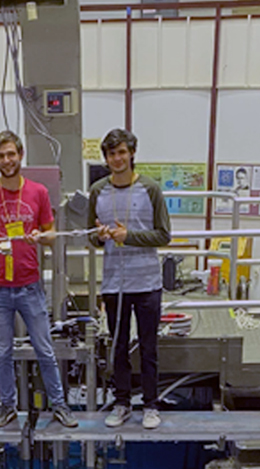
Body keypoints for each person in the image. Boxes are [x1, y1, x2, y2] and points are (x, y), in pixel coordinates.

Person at [0, 131, 78, 429]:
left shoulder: (38, 193)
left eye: (11, 154)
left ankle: (59, 405)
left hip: (30, 287)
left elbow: (52, 234)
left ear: (20, 155)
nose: (7, 160)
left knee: (45, 349)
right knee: (2, 352)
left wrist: (42, 237)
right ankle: (7, 407)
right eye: (1, 156)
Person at [87, 129, 171, 429]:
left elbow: (164, 235)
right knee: (117, 347)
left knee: (149, 348)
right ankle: (122, 402)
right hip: (114, 285)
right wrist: (100, 237)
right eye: (111, 154)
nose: (117, 158)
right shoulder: (97, 191)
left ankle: (150, 404)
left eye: (122, 152)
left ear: (132, 152)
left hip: (147, 283)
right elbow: (92, 239)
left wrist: (128, 236)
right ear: (106, 158)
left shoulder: (150, 189)